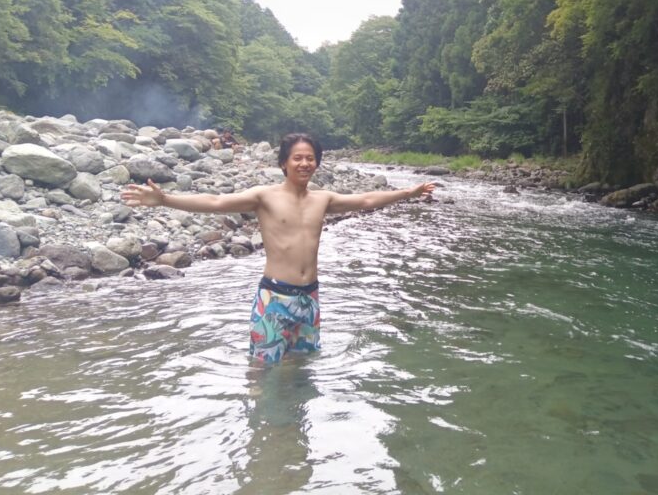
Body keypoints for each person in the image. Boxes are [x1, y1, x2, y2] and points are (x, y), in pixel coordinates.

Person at [121, 132, 435, 363]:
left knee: (301, 369)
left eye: (310, 158)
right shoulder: (265, 197)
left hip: (309, 300)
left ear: (317, 163)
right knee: (262, 371)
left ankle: (293, 430)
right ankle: (259, 428)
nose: (304, 163)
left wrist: (408, 193)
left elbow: (366, 199)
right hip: (274, 299)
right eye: (297, 158)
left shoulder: (323, 199)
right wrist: (165, 199)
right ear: (284, 163)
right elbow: (215, 201)